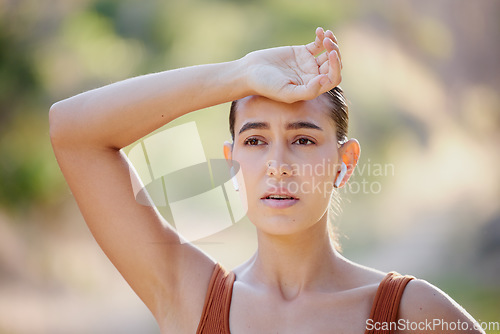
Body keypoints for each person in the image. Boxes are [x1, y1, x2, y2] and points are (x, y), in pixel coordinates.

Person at [49, 28, 484, 333]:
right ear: (232, 160)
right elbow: (72, 132)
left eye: (304, 139)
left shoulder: (410, 312)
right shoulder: (191, 297)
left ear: (344, 163)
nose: (278, 164)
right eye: (255, 140)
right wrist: (238, 74)